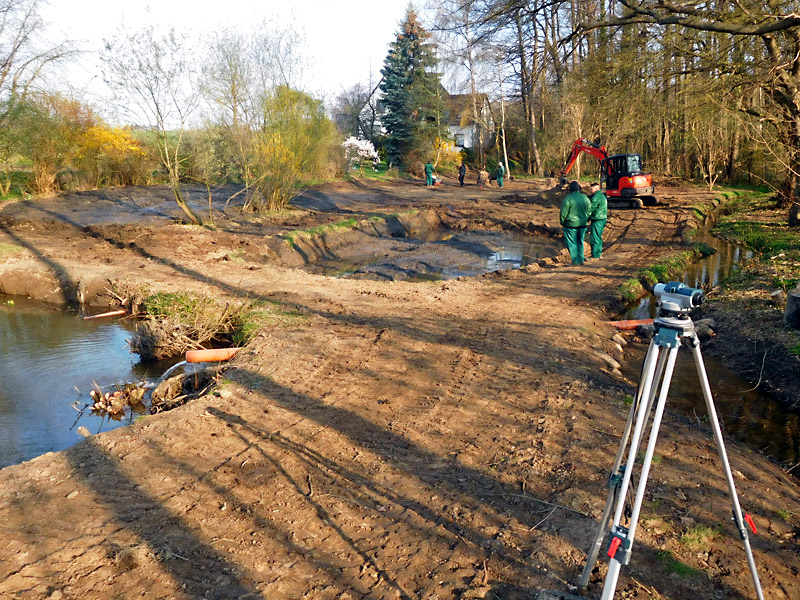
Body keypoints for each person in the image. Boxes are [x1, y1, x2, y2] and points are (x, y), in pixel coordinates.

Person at [560, 180, 591, 266]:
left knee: (572, 242)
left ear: (570, 189)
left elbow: (563, 213)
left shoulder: (568, 199)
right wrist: (585, 218)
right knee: (580, 241)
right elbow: (589, 210)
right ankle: (581, 259)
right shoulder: (585, 198)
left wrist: (562, 221)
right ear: (578, 189)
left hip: (570, 224)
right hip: (582, 224)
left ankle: (575, 261)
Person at [587, 182, 608, 259]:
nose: (590, 190)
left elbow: (591, 209)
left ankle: (595, 255)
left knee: (594, 237)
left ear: (596, 188)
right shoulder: (601, 196)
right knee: (598, 237)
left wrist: (585, 217)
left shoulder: (596, 197)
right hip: (602, 218)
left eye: (591, 189)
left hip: (597, 219)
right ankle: (598, 254)